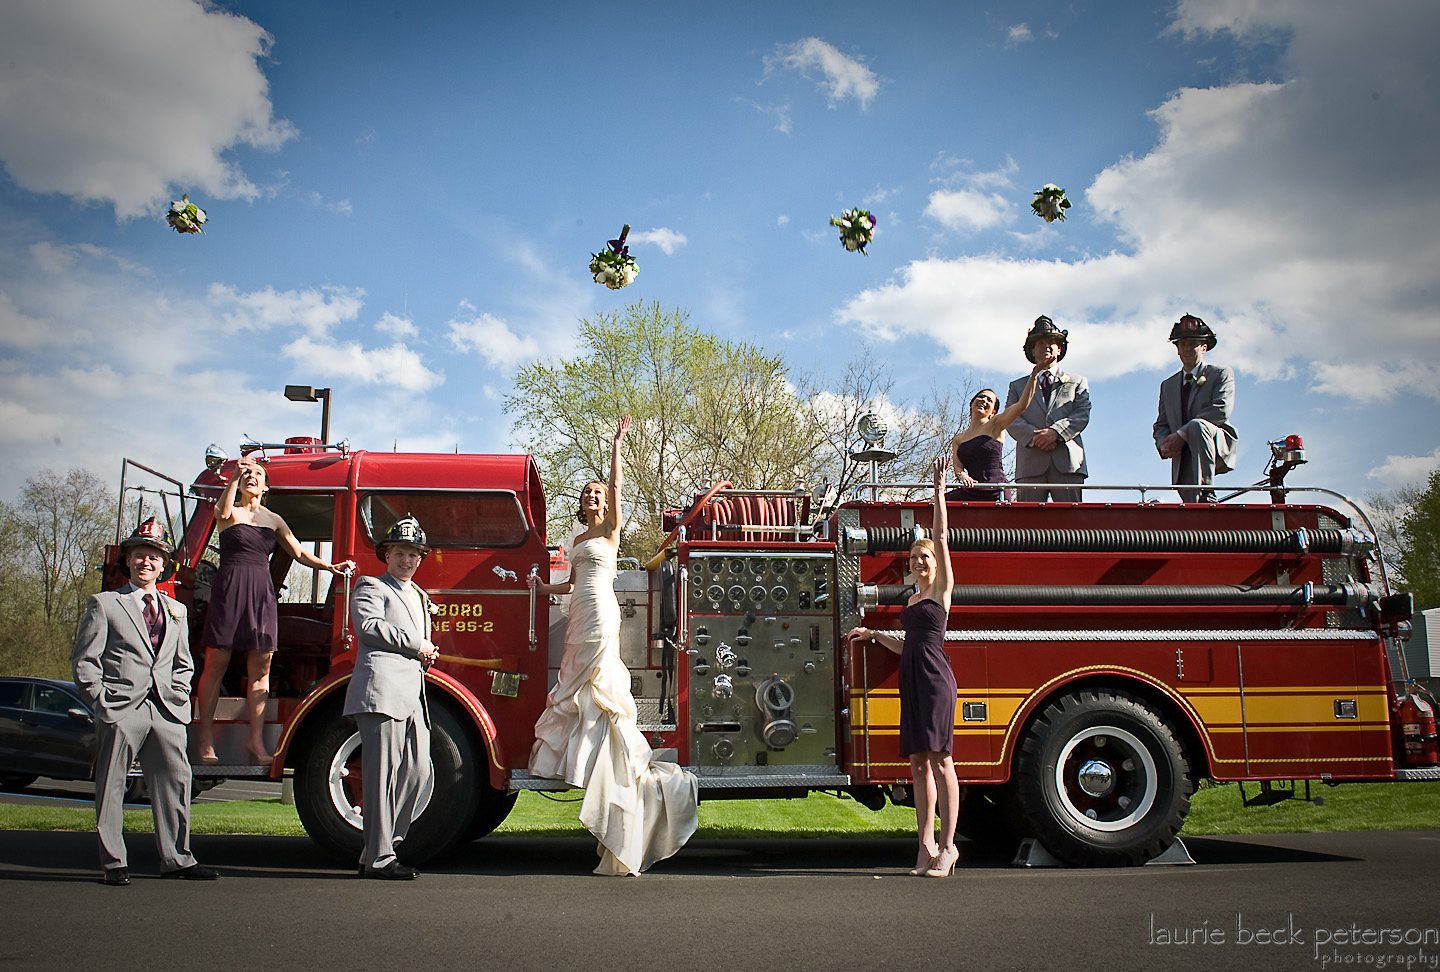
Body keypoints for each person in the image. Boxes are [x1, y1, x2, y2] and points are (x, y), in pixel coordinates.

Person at [528, 416, 698, 876]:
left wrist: (617, 444)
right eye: (587, 494)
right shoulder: (577, 539)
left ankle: (616, 759)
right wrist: (541, 589)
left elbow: (619, 489)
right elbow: (568, 586)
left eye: (598, 493)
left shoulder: (610, 533)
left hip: (603, 612)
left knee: (598, 682)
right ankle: (582, 757)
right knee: (574, 682)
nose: (594, 498)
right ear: (580, 505)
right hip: (579, 607)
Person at [71, 519, 219, 885]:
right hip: (121, 709)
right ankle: (113, 862)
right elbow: (84, 661)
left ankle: (178, 858)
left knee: (177, 782)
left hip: (166, 711)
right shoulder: (105, 604)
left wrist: (180, 697)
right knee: (112, 785)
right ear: (128, 561)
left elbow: (184, 663)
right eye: (139, 556)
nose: (146, 563)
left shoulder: (176, 611)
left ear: (163, 565)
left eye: (154, 557)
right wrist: (101, 703)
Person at [196, 457, 353, 764]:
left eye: (257, 474)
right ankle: (206, 741)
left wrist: (331, 567)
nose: (250, 476)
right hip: (229, 589)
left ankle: (255, 742)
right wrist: (232, 478)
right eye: (246, 473)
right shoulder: (231, 510)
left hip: (261, 594)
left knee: (261, 670)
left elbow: (299, 552)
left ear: (266, 487)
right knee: (216, 664)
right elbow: (221, 513)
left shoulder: (274, 519)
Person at [846, 458, 959, 878]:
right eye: (913, 558)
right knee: (916, 764)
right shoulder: (911, 602)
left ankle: (948, 847)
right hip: (911, 680)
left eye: (924, 557)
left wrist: (939, 492)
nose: (918, 563)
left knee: (942, 761)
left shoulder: (941, 592)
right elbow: (908, 644)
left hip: (935, 681)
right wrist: (874, 636)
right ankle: (924, 846)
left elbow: (943, 535)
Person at [343, 514, 438, 880]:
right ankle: (380, 858)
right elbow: (367, 628)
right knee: (381, 775)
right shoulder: (371, 586)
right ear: (387, 554)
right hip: (381, 691)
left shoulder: (418, 595)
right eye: (400, 552)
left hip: (413, 693)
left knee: (418, 770)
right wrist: (419, 645)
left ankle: (380, 847)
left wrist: (424, 655)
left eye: (414, 554)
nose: (407, 560)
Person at [1005, 315, 1091, 502]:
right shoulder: (1017, 386)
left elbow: (1081, 414)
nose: (1047, 346)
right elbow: (1010, 419)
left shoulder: (1078, 382)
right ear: (1032, 350)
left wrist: (1055, 433)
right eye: (1041, 342)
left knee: (1071, 525)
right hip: (1030, 465)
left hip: (1068, 464)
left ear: (1059, 349)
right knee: (1029, 527)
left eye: (1052, 342)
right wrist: (1036, 438)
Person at [1153, 314, 1237, 504]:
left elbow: (1221, 410)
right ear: (1177, 350)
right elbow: (1161, 424)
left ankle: (1208, 491)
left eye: (1193, 344)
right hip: (1183, 456)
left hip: (1214, 443)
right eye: (1183, 344)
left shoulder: (1221, 374)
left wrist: (1181, 434)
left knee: (1198, 426)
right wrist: (1163, 444)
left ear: (1204, 347)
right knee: (1193, 511)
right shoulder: (1168, 385)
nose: (1187, 349)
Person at [948, 362, 1044, 501]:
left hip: (995, 489)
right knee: (935, 505)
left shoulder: (996, 424)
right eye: (980, 397)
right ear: (971, 404)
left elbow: (1021, 405)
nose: (983, 400)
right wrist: (962, 475)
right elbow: (957, 466)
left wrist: (1034, 375)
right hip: (971, 489)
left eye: (989, 400)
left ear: (993, 411)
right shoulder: (958, 439)